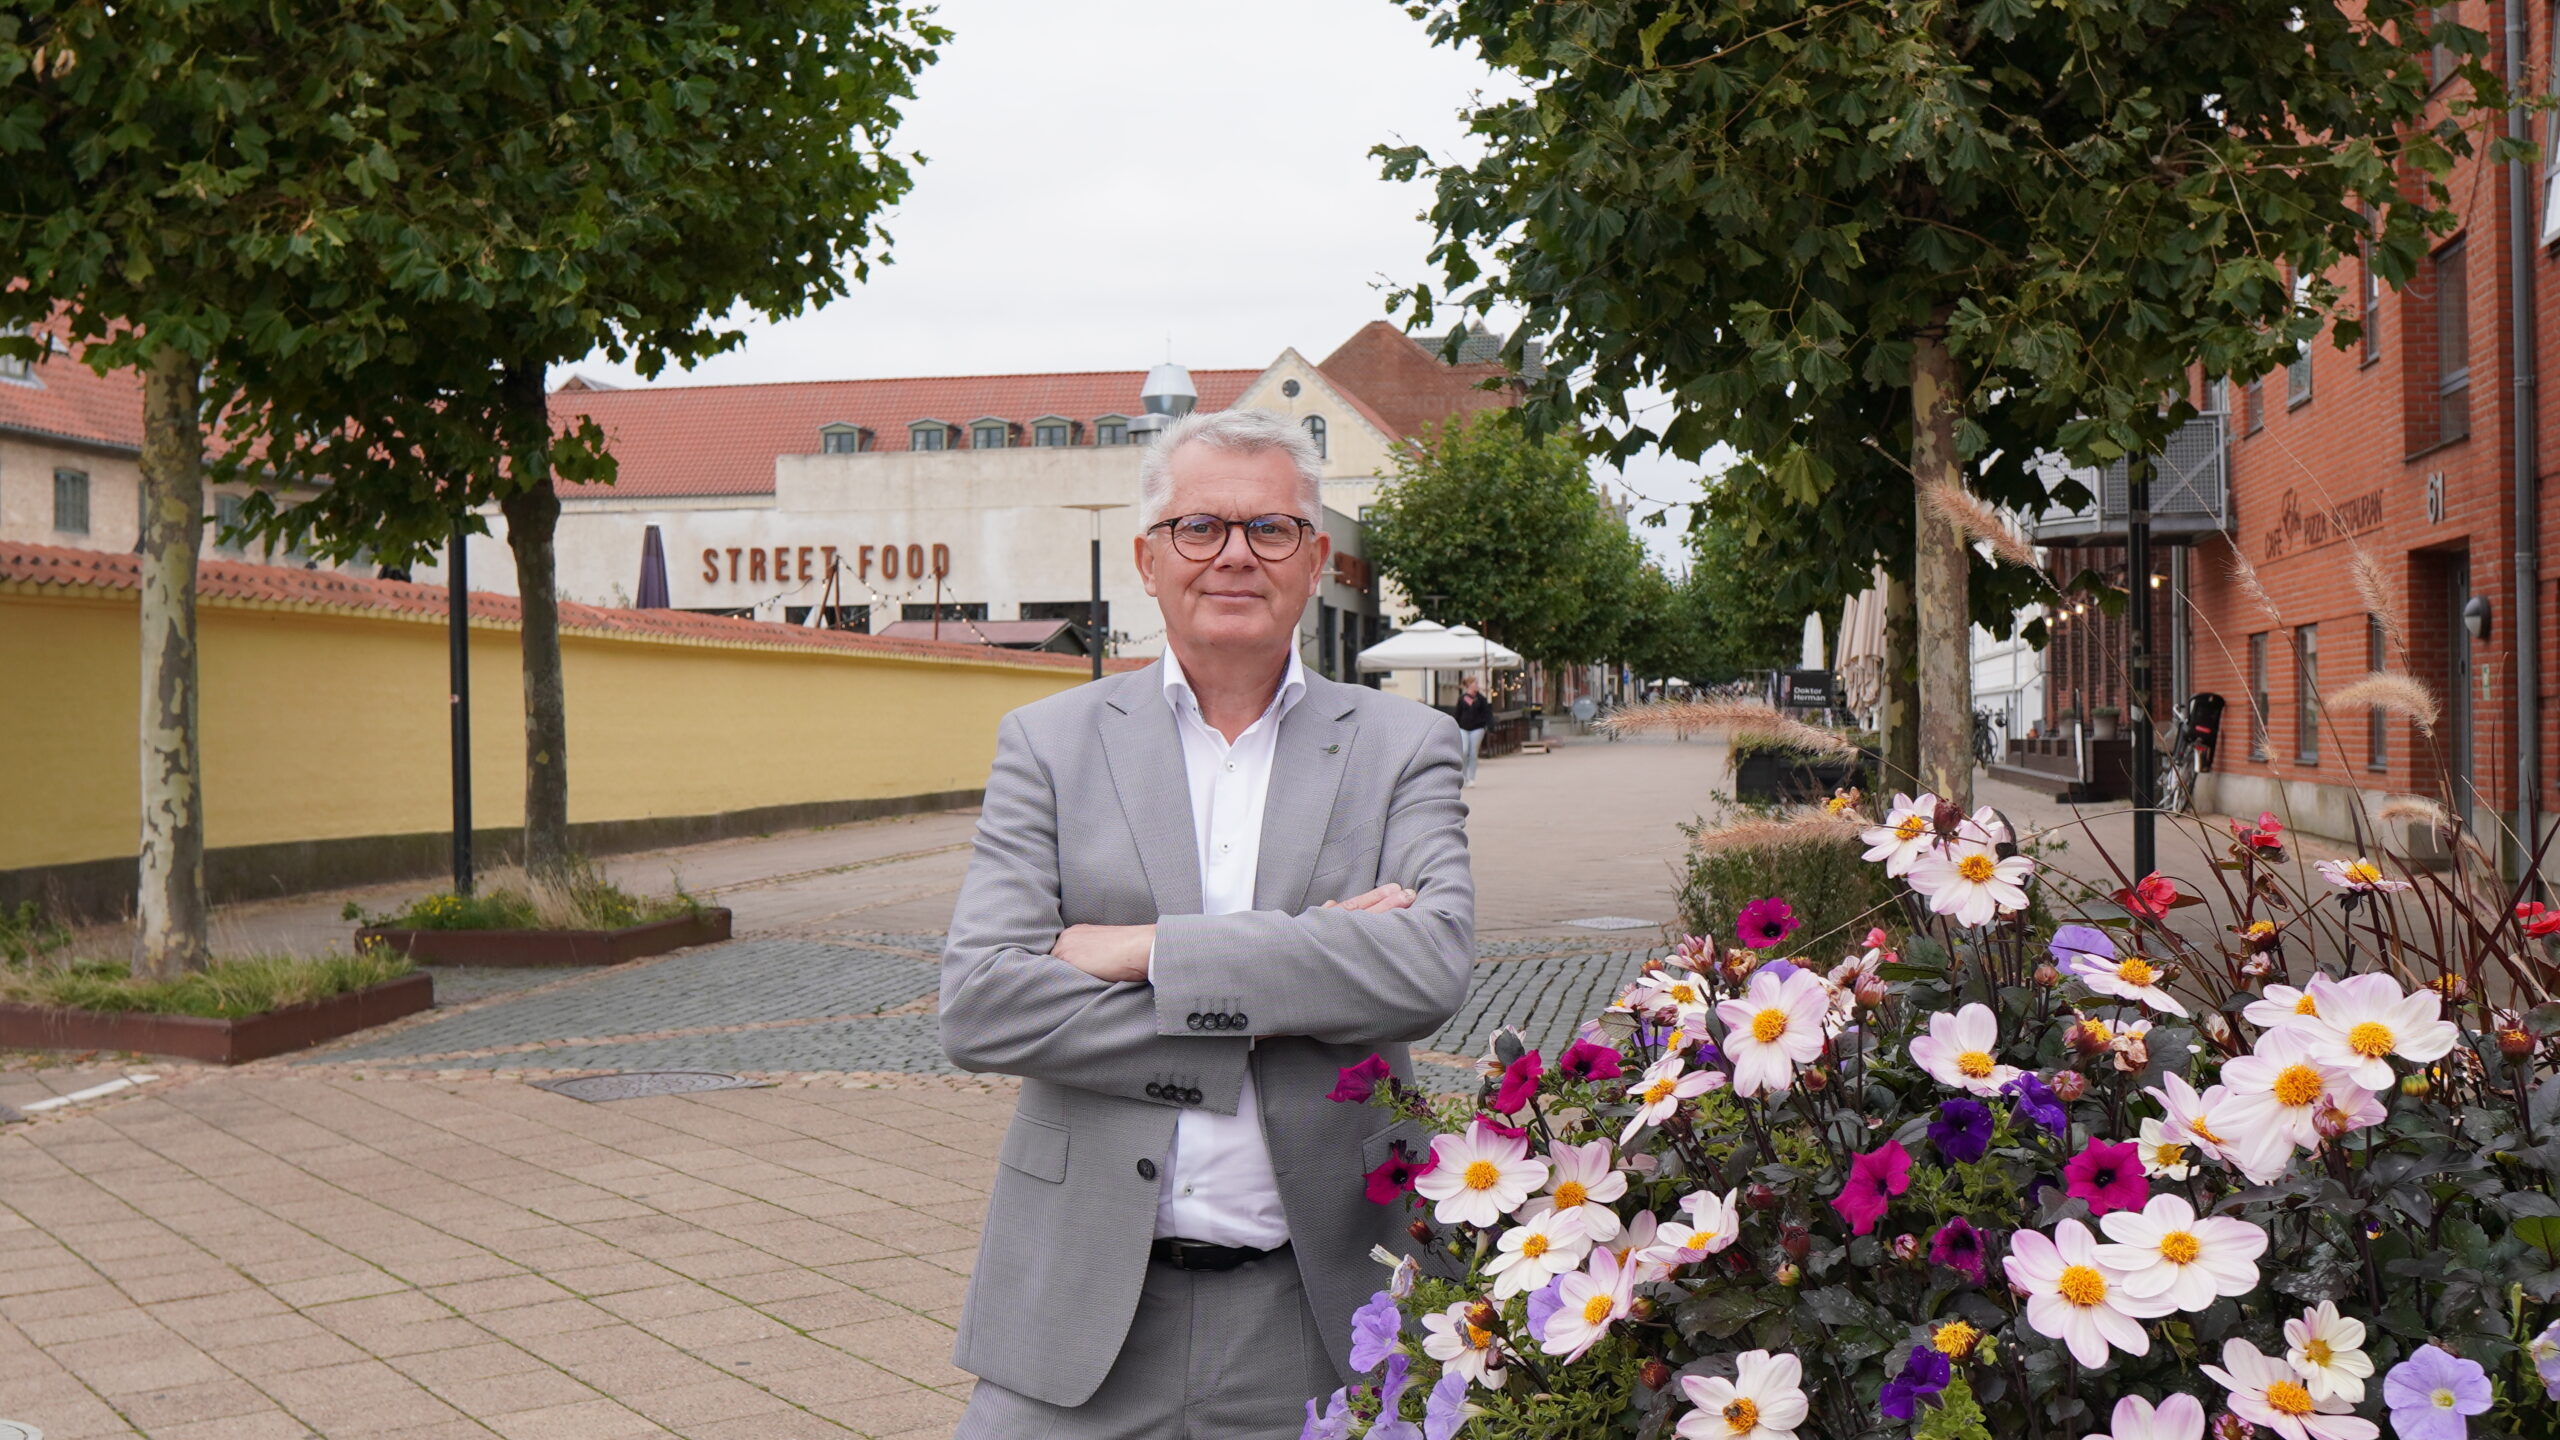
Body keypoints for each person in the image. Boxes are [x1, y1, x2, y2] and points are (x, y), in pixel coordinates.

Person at [940, 408, 1476, 1439]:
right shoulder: (1047, 746)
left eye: (1269, 530)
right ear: (1149, 558)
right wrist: (1296, 985)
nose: (1234, 555)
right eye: (1199, 528)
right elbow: (981, 1005)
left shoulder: (1408, 745)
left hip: (1323, 1312)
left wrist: (1145, 953)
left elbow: (1425, 969)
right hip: (1077, 1306)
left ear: (1314, 558)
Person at [1453, 673, 1493, 785]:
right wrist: (1454, 725)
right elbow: (1457, 714)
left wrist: (1488, 725)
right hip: (1463, 728)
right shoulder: (1462, 699)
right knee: (1464, 751)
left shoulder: (1481, 699)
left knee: (1473, 752)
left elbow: (1487, 713)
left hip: (1477, 728)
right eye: (1475, 683)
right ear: (1469, 685)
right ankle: (1463, 776)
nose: (1477, 685)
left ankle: (1472, 778)